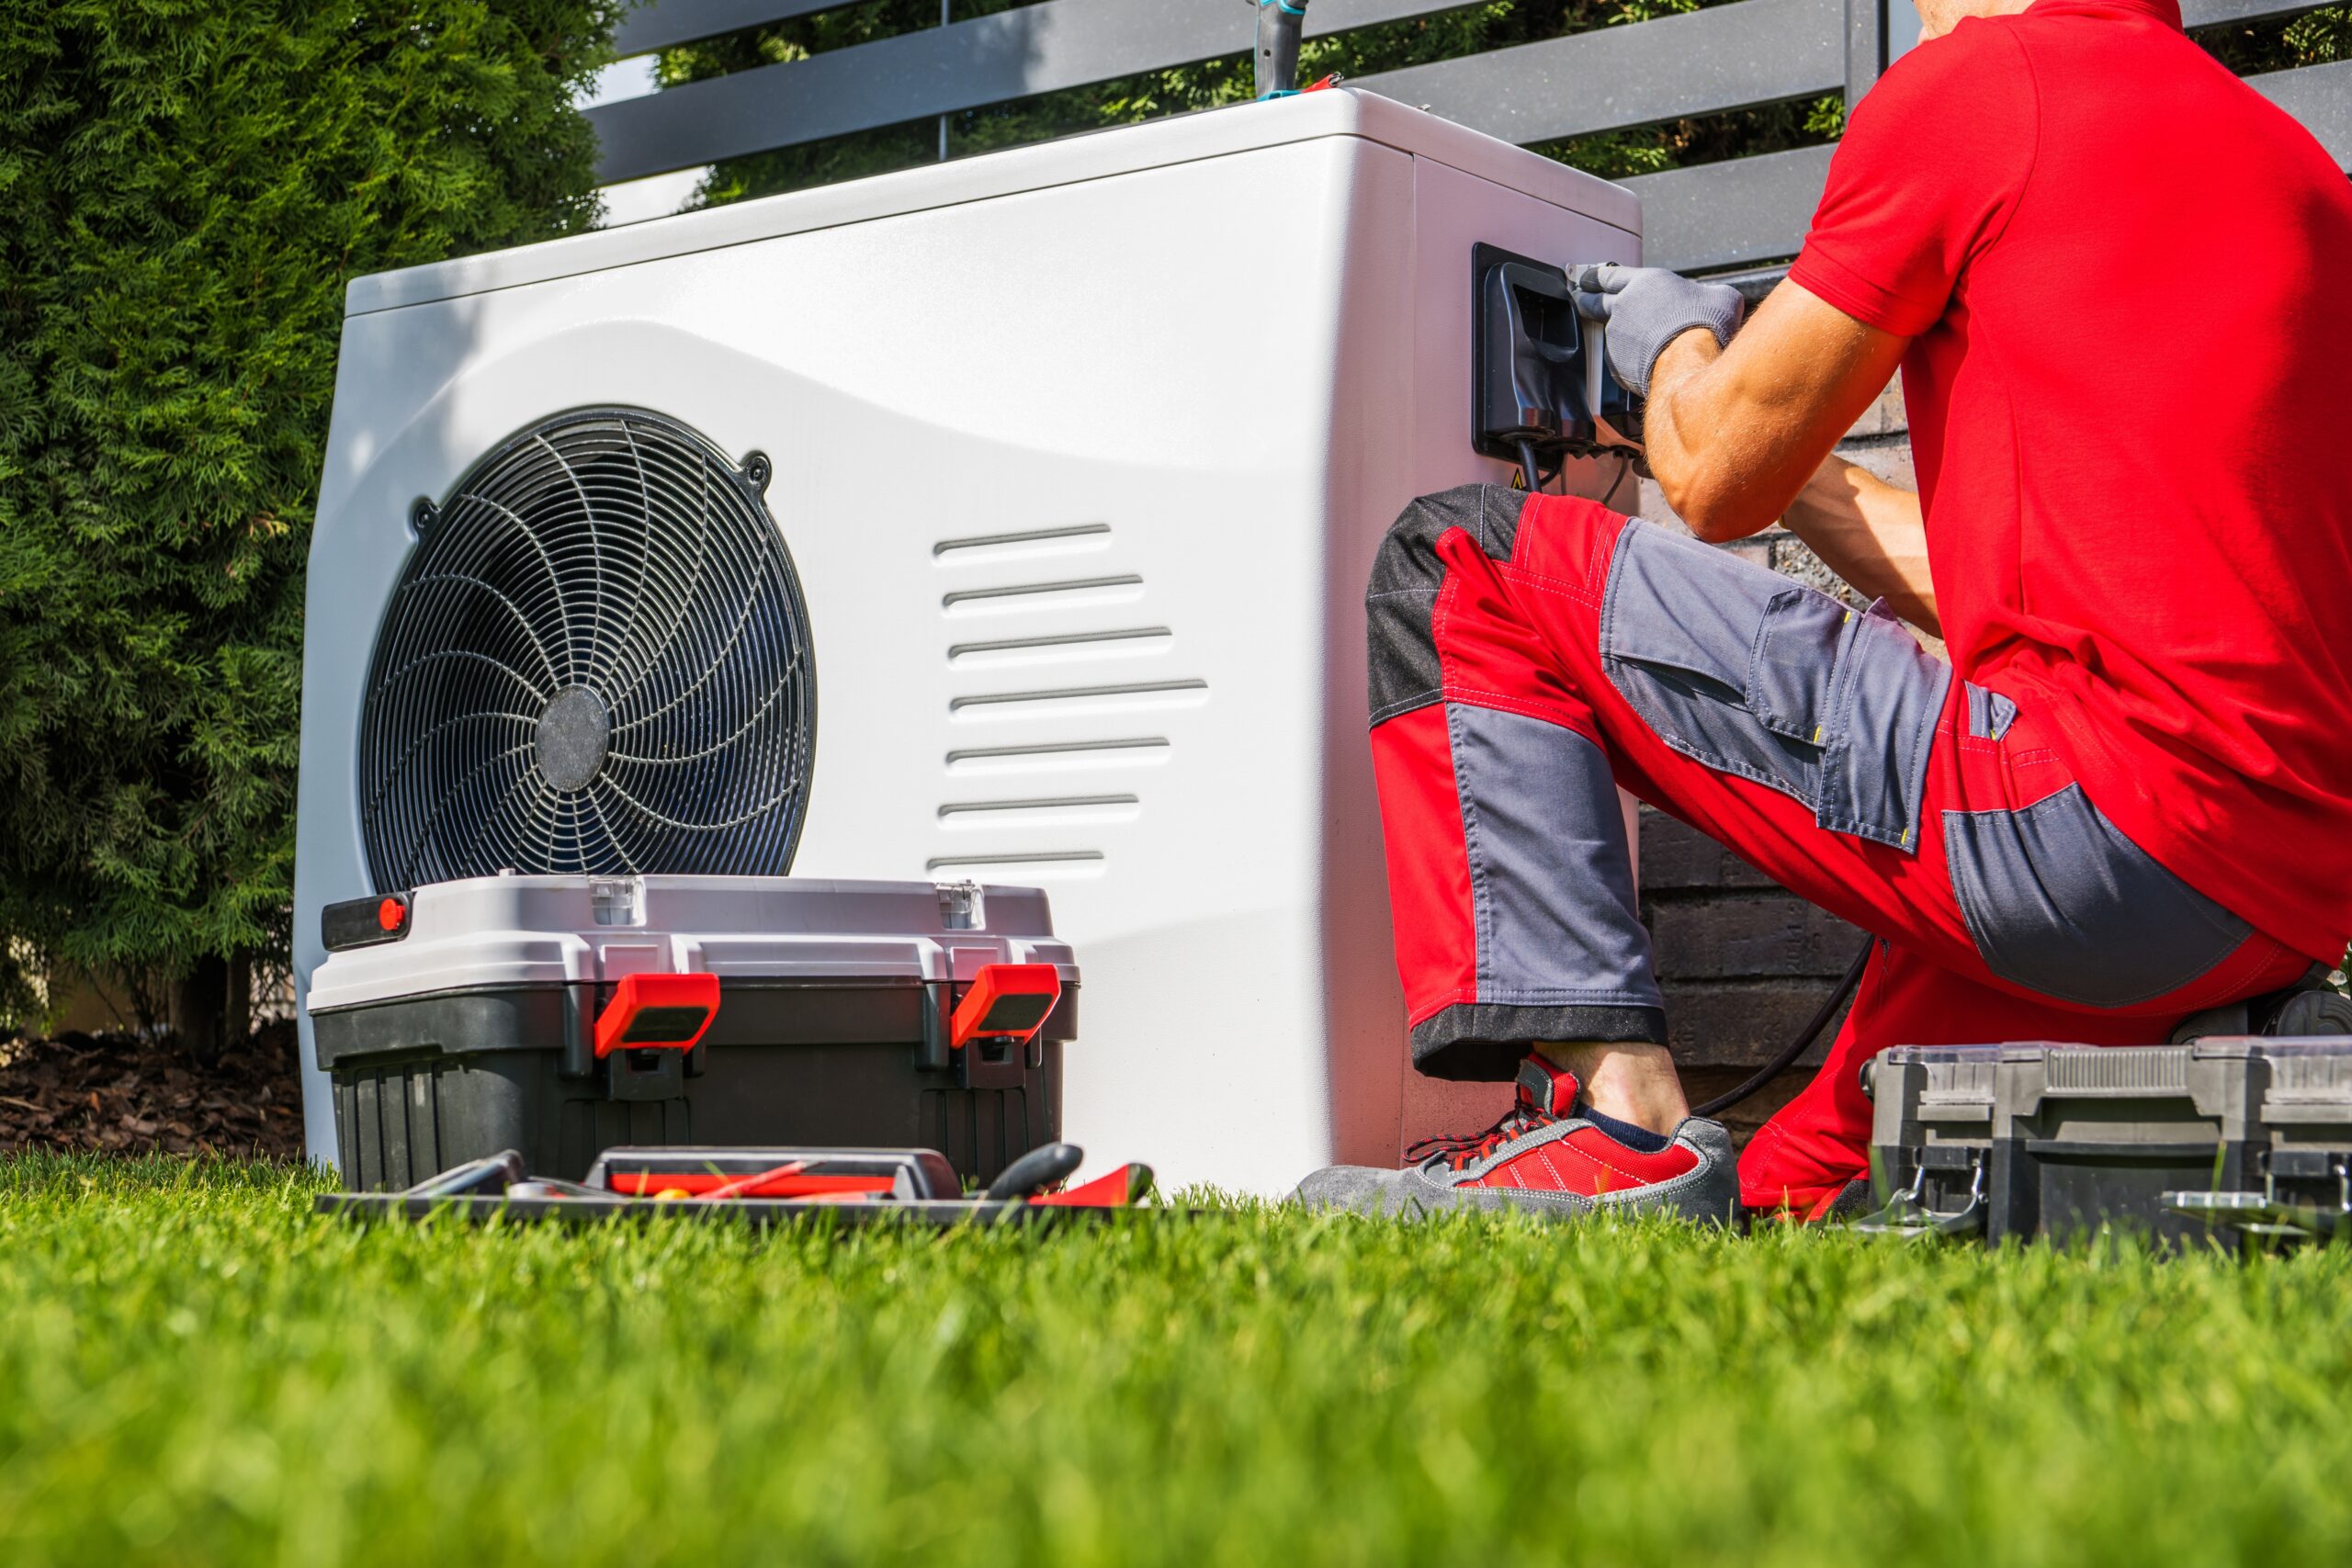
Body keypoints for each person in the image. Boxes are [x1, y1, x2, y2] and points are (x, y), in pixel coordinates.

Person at [1296, 0, 2352, 1221]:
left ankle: (1616, 1125)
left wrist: (1673, 347)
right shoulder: (2298, 173)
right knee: (1798, 1192)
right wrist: (1770, 423)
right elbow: (2066, 583)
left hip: (2080, 831)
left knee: (1462, 566)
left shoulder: (1981, 89)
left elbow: (1706, 475)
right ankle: (2231, 1033)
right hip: (2269, 897)